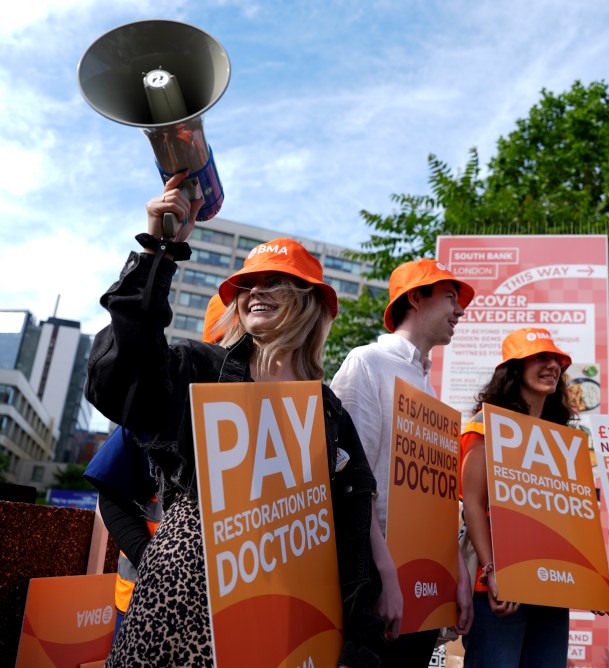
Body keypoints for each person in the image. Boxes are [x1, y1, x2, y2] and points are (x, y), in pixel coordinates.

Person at [85, 173, 384, 667]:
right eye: (246, 285)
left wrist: (360, 639)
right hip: (179, 604)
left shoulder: (329, 412)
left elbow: (351, 534)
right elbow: (118, 379)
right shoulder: (196, 369)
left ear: (310, 301)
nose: (255, 292)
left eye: (275, 282)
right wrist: (159, 251)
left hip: (285, 614)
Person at [330, 258, 476, 664]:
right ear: (415, 298)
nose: (459, 311)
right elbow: (351, 482)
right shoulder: (366, 364)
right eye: (450, 298)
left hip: (424, 581)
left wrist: (457, 574)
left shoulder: (427, 387)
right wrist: (385, 576)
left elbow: (435, 500)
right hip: (378, 581)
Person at [459, 327, 574, 667]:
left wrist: (587, 580)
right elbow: (473, 505)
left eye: (556, 360)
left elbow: (568, 515)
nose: (552, 365)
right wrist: (493, 572)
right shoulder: (483, 428)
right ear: (514, 369)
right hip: (501, 589)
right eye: (540, 357)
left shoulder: (560, 440)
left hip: (550, 588)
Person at [84, 427, 161, 641]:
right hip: (143, 602)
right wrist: (152, 563)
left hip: (230, 604)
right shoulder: (155, 410)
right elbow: (111, 494)